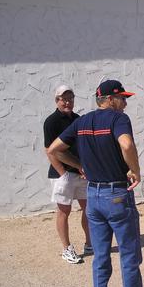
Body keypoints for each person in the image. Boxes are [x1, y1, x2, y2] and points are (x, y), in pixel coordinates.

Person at [47, 80, 142, 287]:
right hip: (117, 194)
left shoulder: (83, 121)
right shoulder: (119, 119)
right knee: (129, 256)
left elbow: (54, 149)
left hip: (93, 197)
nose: (125, 103)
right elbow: (126, 144)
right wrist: (135, 170)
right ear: (110, 99)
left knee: (100, 256)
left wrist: (80, 165)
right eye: (122, 98)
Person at [43, 85, 92, 264]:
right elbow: (49, 150)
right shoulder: (51, 122)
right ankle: (67, 249)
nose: (67, 102)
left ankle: (89, 243)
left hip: (79, 173)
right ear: (57, 101)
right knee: (64, 211)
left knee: (88, 208)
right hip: (62, 175)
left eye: (70, 98)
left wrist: (84, 168)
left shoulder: (77, 119)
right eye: (64, 99)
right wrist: (63, 173)